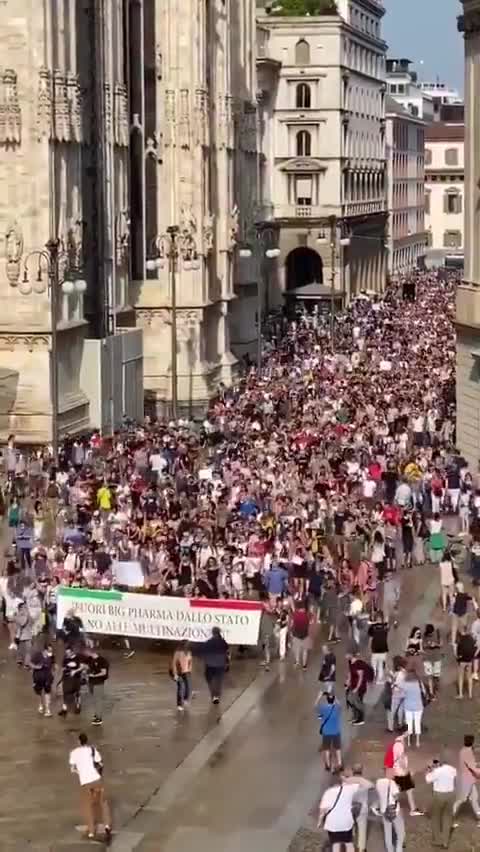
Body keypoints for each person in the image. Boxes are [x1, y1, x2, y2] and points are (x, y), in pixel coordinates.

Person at [69, 732, 112, 841]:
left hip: (86, 782)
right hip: (96, 779)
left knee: (88, 806)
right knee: (103, 803)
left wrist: (78, 771)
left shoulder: (74, 753)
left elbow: (73, 768)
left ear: (79, 741)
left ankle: (91, 831)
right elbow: (99, 761)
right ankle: (107, 825)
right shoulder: (92, 750)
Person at [387, 725, 423, 816]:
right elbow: (401, 759)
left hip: (397, 770)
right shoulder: (399, 744)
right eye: (408, 731)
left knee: (401, 789)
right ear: (405, 732)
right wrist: (407, 770)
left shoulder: (398, 741)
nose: (409, 732)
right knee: (407, 790)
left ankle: (390, 805)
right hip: (401, 772)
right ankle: (412, 809)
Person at [317, 774, 360, 852]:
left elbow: (322, 810)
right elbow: (363, 784)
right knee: (348, 843)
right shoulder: (349, 789)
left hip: (332, 824)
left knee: (336, 844)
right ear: (341, 782)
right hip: (346, 823)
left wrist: (319, 822)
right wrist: (348, 780)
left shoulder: (328, 793)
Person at [425, 757, 457, 849]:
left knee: (436, 817)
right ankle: (445, 842)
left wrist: (428, 770)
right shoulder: (453, 769)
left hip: (439, 795)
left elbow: (427, 780)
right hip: (450, 794)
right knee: (447, 818)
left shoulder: (437, 771)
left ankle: (437, 840)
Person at [373, 769, 405, 852]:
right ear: (389, 773)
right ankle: (399, 849)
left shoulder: (378, 782)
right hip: (394, 811)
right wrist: (399, 789)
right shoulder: (392, 783)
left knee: (387, 833)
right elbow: (396, 797)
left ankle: (390, 850)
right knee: (401, 833)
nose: (394, 774)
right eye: (393, 772)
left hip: (384, 810)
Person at [453, 734, 480, 823]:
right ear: (472, 742)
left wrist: (477, 764)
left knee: (474, 798)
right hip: (466, 781)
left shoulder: (464, 750)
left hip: (468, 780)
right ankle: (450, 815)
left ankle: (479, 816)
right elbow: (473, 768)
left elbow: (470, 764)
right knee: (461, 799)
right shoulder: (467, 753)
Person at [201, 626, 229, 705]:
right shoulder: (223, 642)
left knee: (209, 680)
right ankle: (216, 696)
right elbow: (227, 653)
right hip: (220, 664)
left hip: (210, 664)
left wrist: (205, 661)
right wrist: (227, 663)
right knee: (218, 681)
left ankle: (213, 694)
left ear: (212, 633)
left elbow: (204, 653)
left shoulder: (208, 642)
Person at [316, 692, 343, 773]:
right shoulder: (337, 708)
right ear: (333, 700)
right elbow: (340, 705)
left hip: (326, 732)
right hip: (336, 731)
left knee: (327, 749)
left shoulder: (323, 708)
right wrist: (335, 697)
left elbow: (315, 705)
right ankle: (340, 763)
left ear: (327, 700)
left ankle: (328, 765)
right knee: (337, 749)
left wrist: (319, 696)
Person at [351, 764, 373, 852]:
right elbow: (372, 787)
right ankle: (361, 848)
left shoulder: (347, 781)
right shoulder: (365, 782)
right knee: (362, 828)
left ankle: (350, 844)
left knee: (349, 826)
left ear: (352, 770)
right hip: (362, 808)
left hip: (350, 807)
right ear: (361, 770)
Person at [345, 652, 372, 726]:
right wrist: (347, 682)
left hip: (360, 687)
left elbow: (361, 677)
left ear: (351, 654)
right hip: (353, 685)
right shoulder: (350, 662)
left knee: (358, 702)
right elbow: (350, 673)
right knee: (351, 700)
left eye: (347, 654)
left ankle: (361, 718)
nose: (345, 655)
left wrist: (357, 688)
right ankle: (355, 717)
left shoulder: (359, 664)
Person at [86, 649, 110, 725]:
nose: (87, 653)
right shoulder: (90, 659)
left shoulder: (102, 660)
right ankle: (97, 714)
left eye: (88, 651)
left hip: (98, 682)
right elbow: (87, 667)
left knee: (98, 699)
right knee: (95, 699)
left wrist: (94, 675)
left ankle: (99, 718)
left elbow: (104, 673)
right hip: (91, 682)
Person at [31, 643, 55, 717]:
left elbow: (53, 665)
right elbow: (30, 663)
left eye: (51, 651)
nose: (50, 652)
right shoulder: (37, 655)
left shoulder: (51, 656)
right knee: (39, 692)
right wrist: (36, 667)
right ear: (45, 650)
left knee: (47, 692)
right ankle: (41, 704)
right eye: (49, 651)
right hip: (38, 677)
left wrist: (53, 671)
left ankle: (48, 709)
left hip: (47, 677)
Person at [171, 641, 193, 711]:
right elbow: (174, 663)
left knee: (188, 687)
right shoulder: (177, 653)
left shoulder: (189, 652)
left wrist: (189, 669)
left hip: (186, 672)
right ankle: (179, 704)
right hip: (179, 672)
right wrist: (175, 674)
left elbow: (190, 661)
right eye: (186, 645)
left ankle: (185, 700)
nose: (187, 646)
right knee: (180, 688)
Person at [368, 611, 389, 684]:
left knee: (373, 665)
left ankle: (373, 678)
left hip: (375, 649)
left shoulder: (372, 627)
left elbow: (370, 638)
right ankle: (379, 679)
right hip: (383, 649)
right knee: (380, 665)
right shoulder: (385, 626)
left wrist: (369, 648)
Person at [456, 625, 476, 700]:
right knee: (469, 677)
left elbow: (458, 652)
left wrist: (458, 658)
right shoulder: (471, 639)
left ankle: (461, 694)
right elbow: (474, 648)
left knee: (461, 677)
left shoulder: (460, 639)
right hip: (469, 661)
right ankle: (470, 694)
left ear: (462, 631)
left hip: (462, 661)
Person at [290, 600, 311, 669]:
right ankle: (304, 665)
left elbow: (292, 625)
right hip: (305, 635)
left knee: (297, 649)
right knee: (305, 650)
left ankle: (297, 662)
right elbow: (308, 624)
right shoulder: (307, 615)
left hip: (296, 635)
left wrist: (291, 632)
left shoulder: (295, 615)